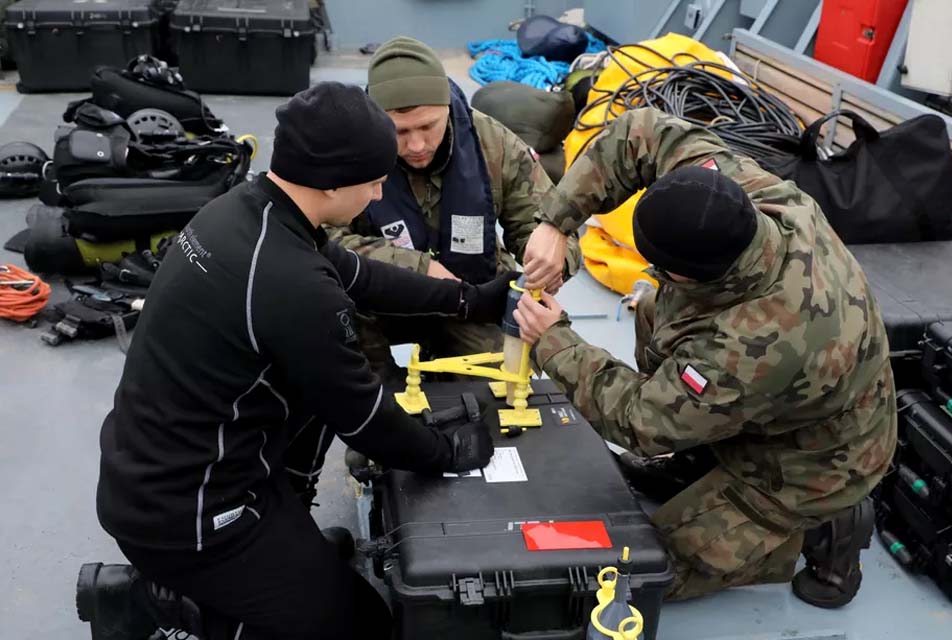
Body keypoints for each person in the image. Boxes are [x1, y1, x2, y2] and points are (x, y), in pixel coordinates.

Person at [77, 82, 511, 640]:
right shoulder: (291, 284)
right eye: (373, 180)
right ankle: (159, 602)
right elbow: (363, 418)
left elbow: (358, 274)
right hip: (194, 517)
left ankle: (284, 548)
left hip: (163, 469)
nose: (379, 192)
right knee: (366, 628)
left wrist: (471, 300)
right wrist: (446, 452)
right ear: (331, 181)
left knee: (302, 400)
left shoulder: (247, 212)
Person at [514, 107, 896, 608]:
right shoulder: (747, 193)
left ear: (690, 273)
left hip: (813, 459)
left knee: (645, 573)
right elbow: (642, 132)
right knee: (655, 309)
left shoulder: (755, 343)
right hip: (776, 401)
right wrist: (556, 223)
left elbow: (641, 421)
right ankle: (700, 451)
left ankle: (828, 525)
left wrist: (553, 340)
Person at [323, 36, 581, 380]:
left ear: (447, 107)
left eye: (428, 126)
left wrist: (552, 260)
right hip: (378, 298)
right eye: (399, 131)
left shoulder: (493, 144)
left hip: (473, 296)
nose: (417, 145)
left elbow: (549, 222)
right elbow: (319, 241)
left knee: (505, 383)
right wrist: (421, 270)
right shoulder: (346, 150)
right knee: (332, 342)